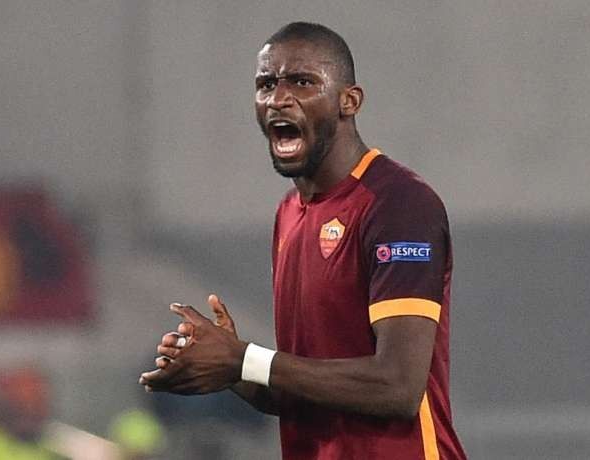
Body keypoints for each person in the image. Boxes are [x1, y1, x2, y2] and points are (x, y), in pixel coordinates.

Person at [139, 22, 467, 459]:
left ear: (349, 101)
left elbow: (397, 386)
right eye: (266, 84)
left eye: (302, 82)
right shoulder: (289, 215)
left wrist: (244, 359)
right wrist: (225, 367)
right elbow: (305, 389)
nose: (279, 98)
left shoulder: (398, 204)